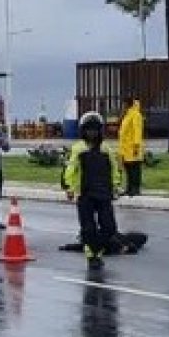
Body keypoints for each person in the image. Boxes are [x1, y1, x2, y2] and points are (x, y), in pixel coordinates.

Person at [63, 112, 123, 268]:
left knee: (109, 228)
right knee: (88, 228)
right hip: (85, 194)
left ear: (100, 131)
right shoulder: (78, 149)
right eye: (88, 130)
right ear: (83, 131)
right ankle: (93, 257)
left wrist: (115, 187)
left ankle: (96, 250)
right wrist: (69, 188)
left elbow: (114, 169)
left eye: (95, 129)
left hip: (104, 194)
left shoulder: (106, 149)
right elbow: (70, 169)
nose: (92, 133)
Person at [119, 97, 145, 196]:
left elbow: (137, 131)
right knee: (128, 168)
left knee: (135, 169)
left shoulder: (136, 115)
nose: (122, 107)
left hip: (133, 147)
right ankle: (129, 188)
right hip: (126, 148)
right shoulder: (128, 115)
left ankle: (135, 189)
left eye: (123, 104)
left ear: (127, 104)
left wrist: (136, 146)